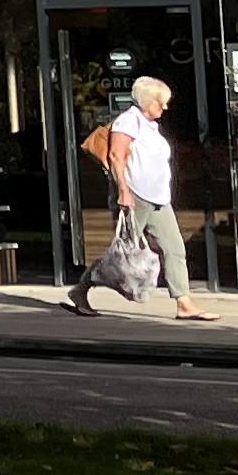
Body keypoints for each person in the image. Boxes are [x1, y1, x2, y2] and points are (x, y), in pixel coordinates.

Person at [76, 73, 211, 320]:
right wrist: (123, 192)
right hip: (136, 195)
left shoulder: (151, 126)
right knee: (123, 254)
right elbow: (116, 157)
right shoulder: (128, 121)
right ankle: (82, 288)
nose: (165, 107)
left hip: (158, 198)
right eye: (161, 102)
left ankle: (184, 303)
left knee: (174, 248)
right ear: (148, 101)